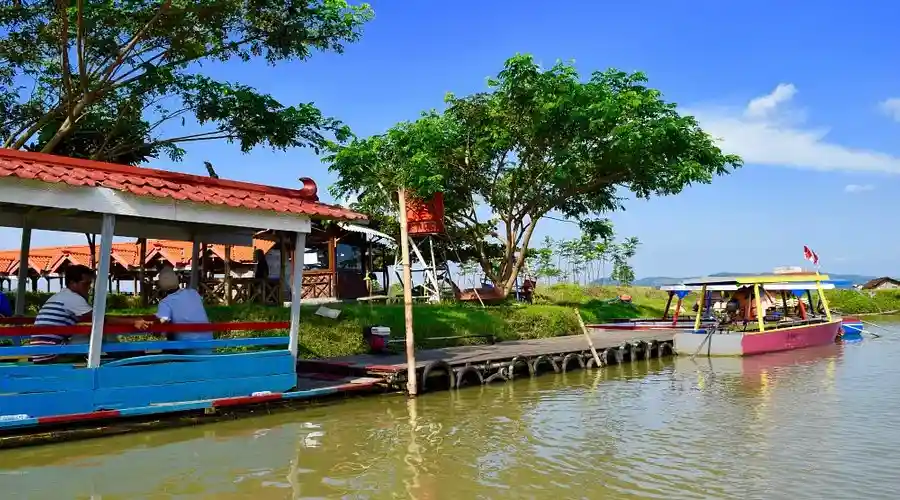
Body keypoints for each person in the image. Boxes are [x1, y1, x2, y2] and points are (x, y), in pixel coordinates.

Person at [31, 265, 149, 364]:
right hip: (50, 355)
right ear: (73, 283)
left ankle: (127, 355)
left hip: (42, 352)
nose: (88, 288)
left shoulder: (61, 296)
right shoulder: (73, 298)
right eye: (86, 284)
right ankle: (128, 357)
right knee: (100, 333)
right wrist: (133, 321)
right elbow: (100, 319)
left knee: (95, 332)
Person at [152, 267, 213, 355]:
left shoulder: (165, 302)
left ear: (161, 285)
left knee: (170, 338)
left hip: (189, 349)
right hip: (208, 345)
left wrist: (155, 327)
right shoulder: (193, 293)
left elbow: (162, 322)